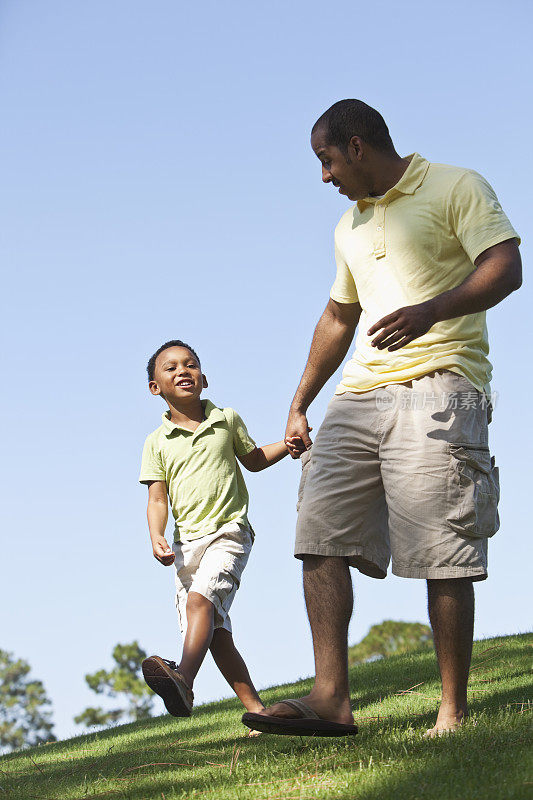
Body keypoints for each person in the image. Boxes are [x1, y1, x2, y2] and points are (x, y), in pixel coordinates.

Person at [242, 99, 522, 738]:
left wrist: (432, 310)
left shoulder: (458, 185)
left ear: (359, 146)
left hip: (441, 383)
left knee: (443, 548)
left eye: (328, 160)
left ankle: (452, 711)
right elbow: (340, 315)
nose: (325, 176)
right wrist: (299, 400)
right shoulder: (349, 227)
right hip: (357, 394)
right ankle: (331, 698)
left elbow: (506, 268)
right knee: (319, 530)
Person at [139, 339, 304, 722]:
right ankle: (259, 714)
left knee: (201, 604)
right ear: (155, 388)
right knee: (216, 634)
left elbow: (255, 460)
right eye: (171, 367)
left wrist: (288, 443)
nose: (183, 370)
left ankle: (183, 679)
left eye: (191, 364)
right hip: (185, 546)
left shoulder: (225, 419)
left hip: (229, 533)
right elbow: (157, 499)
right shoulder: (156, 442)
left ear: (204, 379)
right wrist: (156, 535)